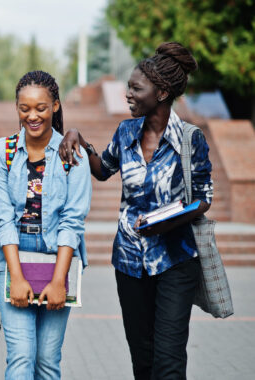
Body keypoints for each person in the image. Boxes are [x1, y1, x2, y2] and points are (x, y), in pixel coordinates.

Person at [59, 42, 211, 380]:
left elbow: (203, 198)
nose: (127, 94)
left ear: (160, 93)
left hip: (175, 260)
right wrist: (78, 137)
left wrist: (165, 222)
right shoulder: (126, 131)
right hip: (129, 261)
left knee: (168, 361)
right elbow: (102, 169)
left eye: (135, 88)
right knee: (143, 362)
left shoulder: (190, 139)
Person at [0, 71, 91, 379]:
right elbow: (2, 216)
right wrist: (16, 277)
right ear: (16, 107)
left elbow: (73, 220)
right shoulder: (0, 153)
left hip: (59, 255)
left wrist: (59, 282)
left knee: (46, 360)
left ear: (55, 106)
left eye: (41, 108)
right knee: (20, 357)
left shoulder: (73, 154)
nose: (32, 116)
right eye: (24, 108)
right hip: (13, 254)